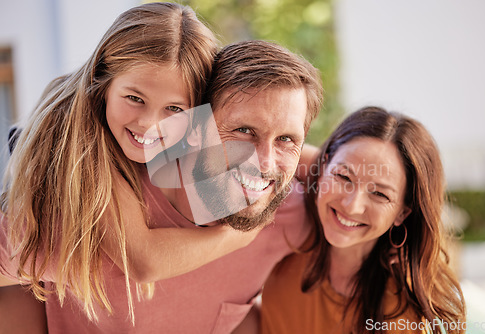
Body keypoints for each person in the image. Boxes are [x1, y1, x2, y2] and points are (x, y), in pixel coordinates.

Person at [1, 8, 323, 332]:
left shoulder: (290, 212)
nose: (150, 124)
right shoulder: (82, 199)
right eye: (243, 131)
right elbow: (144, 260)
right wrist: (237, 235)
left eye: (173, 108)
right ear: (200, 126)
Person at [259, 107, 466, 334]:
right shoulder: (287, 218)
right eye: (343, 176)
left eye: (379, 194)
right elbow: (248, 154)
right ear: (323, 167)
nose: (352, 205)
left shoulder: (402, 311)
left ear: (402, 213)